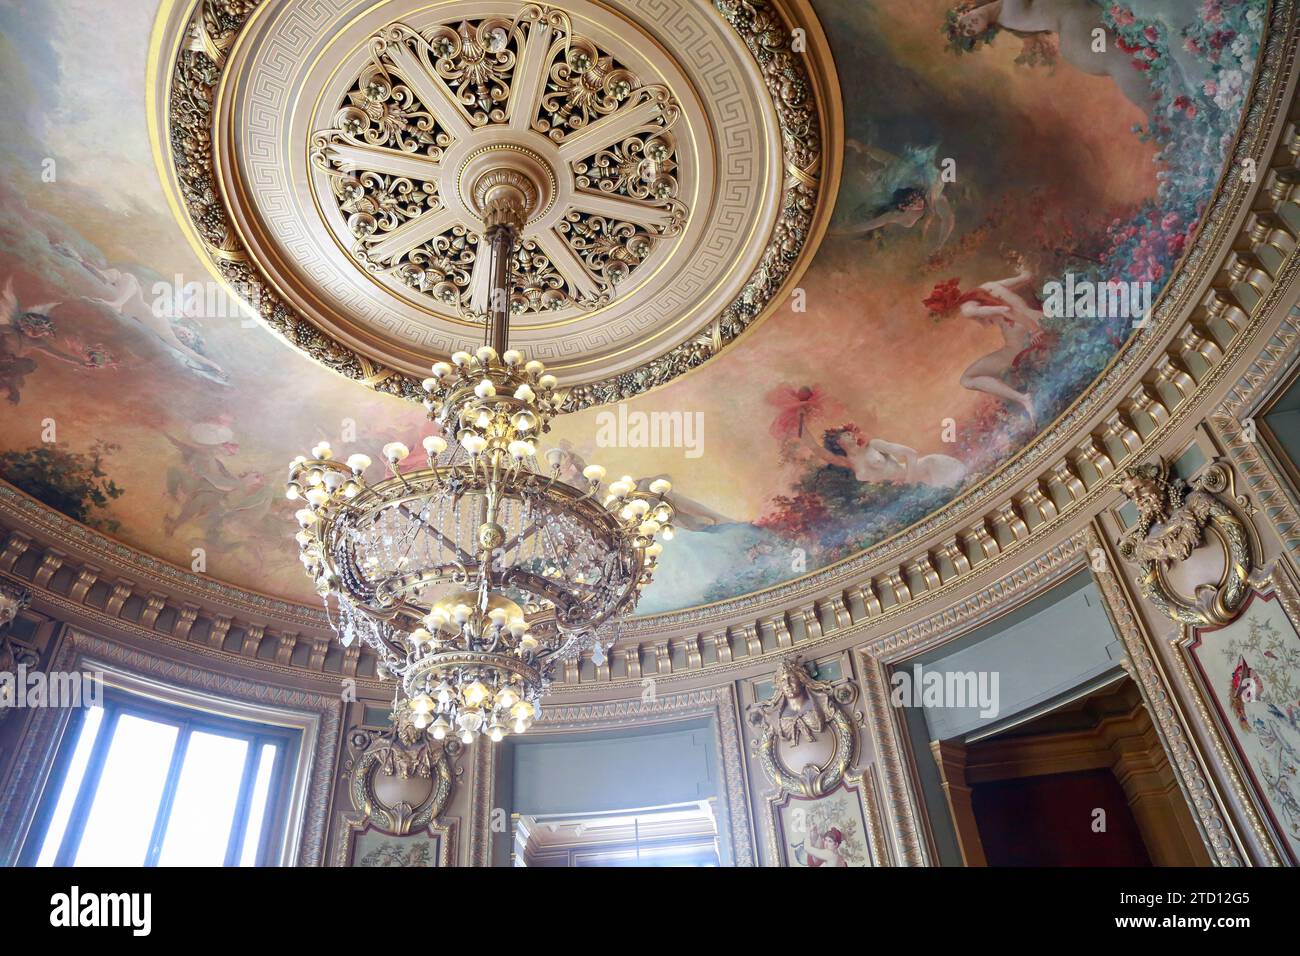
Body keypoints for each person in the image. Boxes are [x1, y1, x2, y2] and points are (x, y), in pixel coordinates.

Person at [923, 256, 1049, 426]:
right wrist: (1022, 264)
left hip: (1021, 338)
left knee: (967, 379)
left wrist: (1034, 329)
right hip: (1041, 318)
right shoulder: (987, 287)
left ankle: (1024, 398)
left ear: (946, 309)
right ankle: (1023, 397)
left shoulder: (967, 309)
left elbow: (1005, 310)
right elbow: (1027, 277)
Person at [803, 424, 967, 488]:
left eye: (851, 433)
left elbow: (911, 454)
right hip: (920, 485)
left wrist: (908, 483)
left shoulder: (874, 445)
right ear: (839, 442)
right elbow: (816, 449)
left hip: (932, 468)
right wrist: (799, 423)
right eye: (846, 435)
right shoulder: (850, 463)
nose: (852, 435)